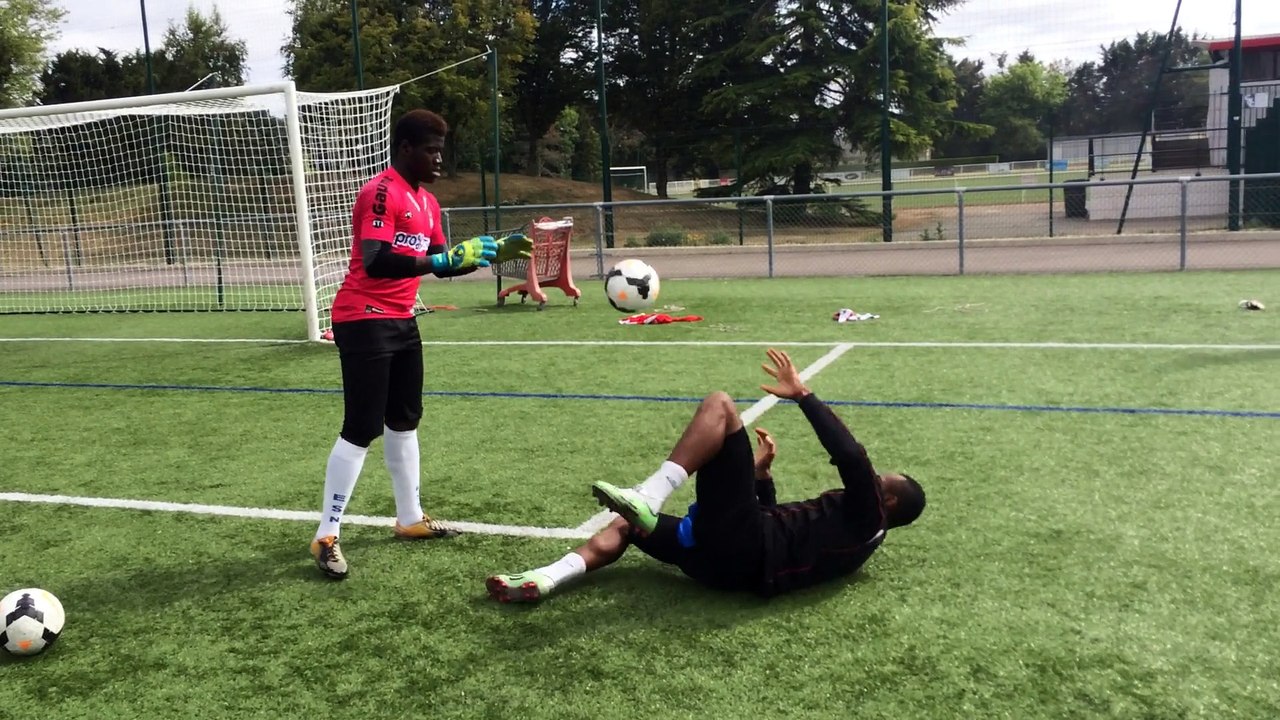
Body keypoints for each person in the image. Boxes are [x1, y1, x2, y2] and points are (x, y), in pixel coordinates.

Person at [485, 348, 926, 601]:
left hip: (741, 547)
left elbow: (849, 454)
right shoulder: (857, 536)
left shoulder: (870, 516)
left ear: (887, 502)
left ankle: (653, 493)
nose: (874, 478)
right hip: (722, 569)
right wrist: (761, 477)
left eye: (881, 481)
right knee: (628, 525)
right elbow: (782, 535)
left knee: (720, 405)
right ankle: (548, 577)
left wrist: (804, 395)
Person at [311, 109, 532, 580]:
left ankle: (409, 518)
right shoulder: (381, 191)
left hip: (402, 319)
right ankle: (326, 534)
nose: (438, 159)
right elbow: (377, 261)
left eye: (441, 150)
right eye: (431, 150)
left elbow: (440, 262)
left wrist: (482, 254)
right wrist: (441, 257)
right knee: (362, 425)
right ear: (406, 148)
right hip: (363, 317)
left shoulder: (427, 203)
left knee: (405, 420)